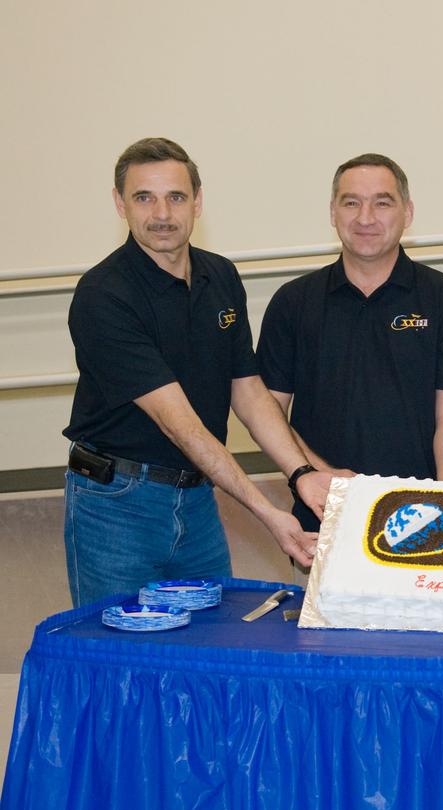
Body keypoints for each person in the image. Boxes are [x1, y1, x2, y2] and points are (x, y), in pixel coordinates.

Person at [63, 137, 330, 607]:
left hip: (196, 498)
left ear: (198, 202)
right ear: (119, 204)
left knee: (208, 642)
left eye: (176, 197)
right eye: (144, 197)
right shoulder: (104, 295)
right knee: (122, 653)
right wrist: (268, 513)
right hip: (117, 503)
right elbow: (181, 425)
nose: (161, 213)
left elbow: (247, 390)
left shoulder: (220, 276)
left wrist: (301, 472)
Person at [257, 153, 443, 541]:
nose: (365, 217)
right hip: (321, 518)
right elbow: (266, 411)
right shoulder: (293, 303)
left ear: (407, 212)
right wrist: (317, 474)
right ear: (332, 212)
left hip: (420, 522)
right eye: (351, 202)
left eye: (382, 202)